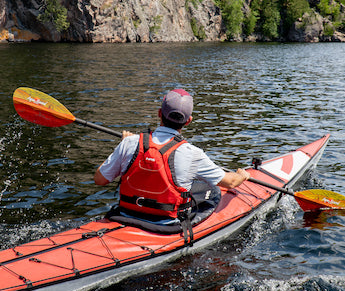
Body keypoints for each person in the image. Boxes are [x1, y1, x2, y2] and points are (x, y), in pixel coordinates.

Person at [94, 88, 250, 232]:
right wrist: (243, 175)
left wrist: (121, 145)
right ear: (188, 121)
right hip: (165, 224)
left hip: (124, 215)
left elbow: (99, 179)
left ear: (159, 113)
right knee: (210, 190)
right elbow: (230, 182)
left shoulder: (130, 143)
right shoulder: (192, 153)